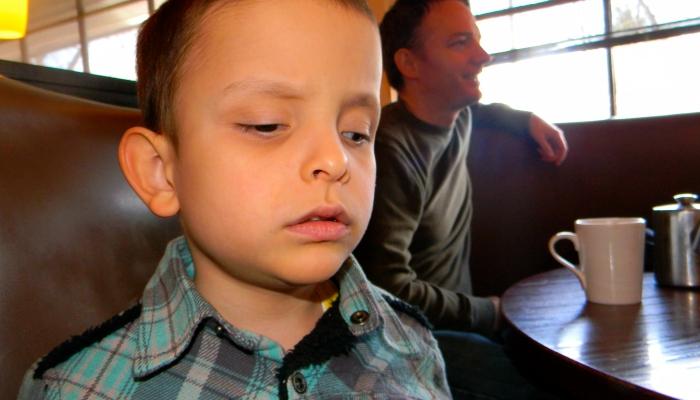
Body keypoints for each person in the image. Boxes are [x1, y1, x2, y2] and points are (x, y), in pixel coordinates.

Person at [17, 0, 451, 398]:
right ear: (161, 172)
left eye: (356, 133)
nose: (335, 160)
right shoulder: (74, 388)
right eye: (266, 125)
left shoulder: (413, 342)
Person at [354, 0, 568, 399]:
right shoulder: (392, 149)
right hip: (412, 335)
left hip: (466, 325)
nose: (483, 56)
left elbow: (483, 111)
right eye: (459, 43)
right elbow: (387, 285)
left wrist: (525, 120)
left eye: (478, 40)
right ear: (409, 64)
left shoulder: (458, 115)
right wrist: (490, 311)